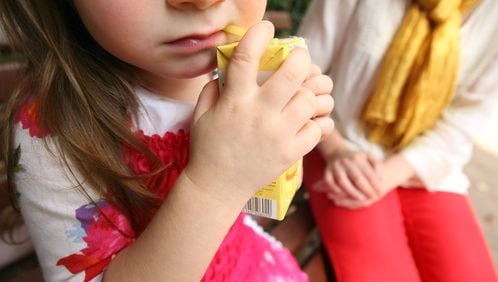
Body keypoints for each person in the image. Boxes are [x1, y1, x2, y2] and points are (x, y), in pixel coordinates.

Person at [0, 0, 335, 281]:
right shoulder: (50, 127)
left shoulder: (228, 68)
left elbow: (256, 193)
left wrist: (290, 124)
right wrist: (216, 184)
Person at [298, 0, 498, 281]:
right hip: (339, 146)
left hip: (427, 165)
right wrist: (336, 151)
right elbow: (302, 70)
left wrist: (385, 176)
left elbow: (463, 122)